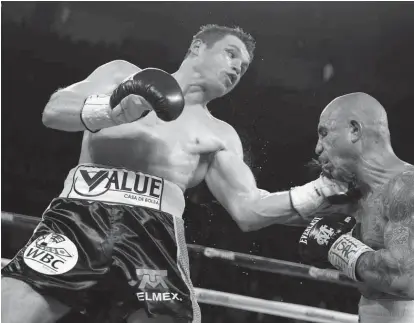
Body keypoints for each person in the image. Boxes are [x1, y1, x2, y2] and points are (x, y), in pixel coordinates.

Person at [1, 24, 352, 323]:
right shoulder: (122, 74)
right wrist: (116, 109)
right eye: (231, 54)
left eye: (243, 67)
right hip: (79, 224)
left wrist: (321, 190)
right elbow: (54, 111)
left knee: (171, 315)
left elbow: (249, 209)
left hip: (151, 246)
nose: (236, 69)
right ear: (198, 47)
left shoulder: (219, 134)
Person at [299, 92, 414, 323]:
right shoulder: (361, 195)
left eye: (324, 133)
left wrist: (338, 245)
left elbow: (401, 278)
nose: (317, 148)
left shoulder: (411, 186)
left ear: (354, 130)